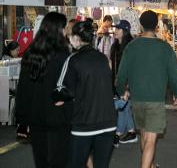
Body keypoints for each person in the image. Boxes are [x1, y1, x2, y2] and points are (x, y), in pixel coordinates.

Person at [117, 10, 177, 168]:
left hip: (137, 99)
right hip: (155, 99)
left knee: (144, 136)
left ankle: (150, 165)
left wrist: (121, 91)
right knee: (151, 139)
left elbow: (121, 74)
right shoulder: (164, 48)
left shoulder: (132, 46)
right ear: (157, 25)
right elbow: (174, 74)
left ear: (141, 25)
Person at [15, 12, 71, 168]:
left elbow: (23, 89)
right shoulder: (63, 55)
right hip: (58, 118)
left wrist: (22, 117)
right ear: (58, 30)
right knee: (59, 161)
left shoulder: (30, 54)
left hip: (35, 118)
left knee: (41, 160)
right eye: (64, 28)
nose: (66, 31)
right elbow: (70, 87)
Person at [58, 21, 116, 168]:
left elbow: (62, 90)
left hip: (83, 124)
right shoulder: (103, 58)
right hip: (107, 122)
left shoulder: (73, 60)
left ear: (76, 38)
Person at [110, 20, 137, 147]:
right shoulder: (115, 46)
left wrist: (127, 87)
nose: (115, 31)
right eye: (115, 29)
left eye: (118, 29)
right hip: (117, 83)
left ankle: (117, 135)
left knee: (122, 109)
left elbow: (133, 68)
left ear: (125, 31)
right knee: (124, 108)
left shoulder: (131, 46)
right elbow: (113, 66)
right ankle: (132, 132)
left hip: (127, 84)